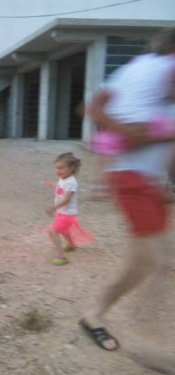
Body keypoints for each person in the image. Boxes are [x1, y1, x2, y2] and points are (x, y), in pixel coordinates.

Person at [80, 27, 175, 361]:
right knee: (153, 261)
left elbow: (95, 107)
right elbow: (95, 110)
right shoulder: (157, 69)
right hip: (134, 178)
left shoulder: (135, 67)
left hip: (147, 180)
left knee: (161, 261)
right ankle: (149, 344)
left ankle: (99, 314)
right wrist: (136, 134)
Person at [44, 153, 94, 266]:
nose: (58, 170)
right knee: (64, 231)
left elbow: (66, 199)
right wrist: (53, 184)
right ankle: (71, 245)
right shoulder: (64, 179)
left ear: (71, 168)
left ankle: (61, 257)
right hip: (62, 213)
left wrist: (53, 208)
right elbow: (61, 187)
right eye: (56, 168)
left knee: (53, 231)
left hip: (67, 214)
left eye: (61, 168)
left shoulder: (71, 182)